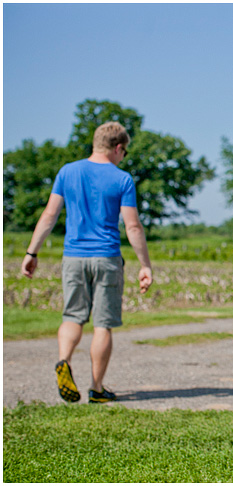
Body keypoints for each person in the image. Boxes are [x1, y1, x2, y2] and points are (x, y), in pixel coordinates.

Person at [21, 121, 153, 404]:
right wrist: (145, 265)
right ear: (118, 148)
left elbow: (49, 215)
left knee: (72, 316)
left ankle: (64, 361)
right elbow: (133, 227)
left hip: (73, 256)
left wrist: (32, 253)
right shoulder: (122, 179)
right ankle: (97, 388)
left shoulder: (67, 172)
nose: (123, 157)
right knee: (103, 324)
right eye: (124, 152)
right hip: (106, 257)